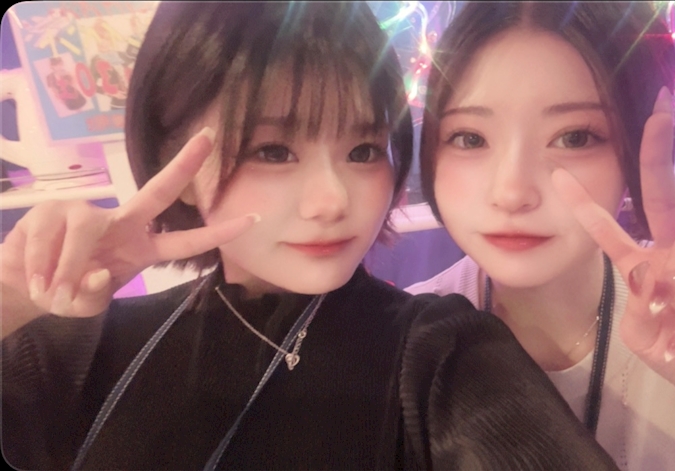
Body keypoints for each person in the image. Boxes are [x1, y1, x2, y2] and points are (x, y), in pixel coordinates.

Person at [0, 3, 619, 470]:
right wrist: (11, 295)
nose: (333, 201)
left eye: (363, 150)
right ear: (174, 162)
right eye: (273, 151)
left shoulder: (439, 353)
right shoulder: (68, 350)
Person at [406, 2, 675, 470]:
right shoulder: (401, 343)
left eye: (574, 137)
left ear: (636, 143)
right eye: (470, 138)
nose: (512, 193)